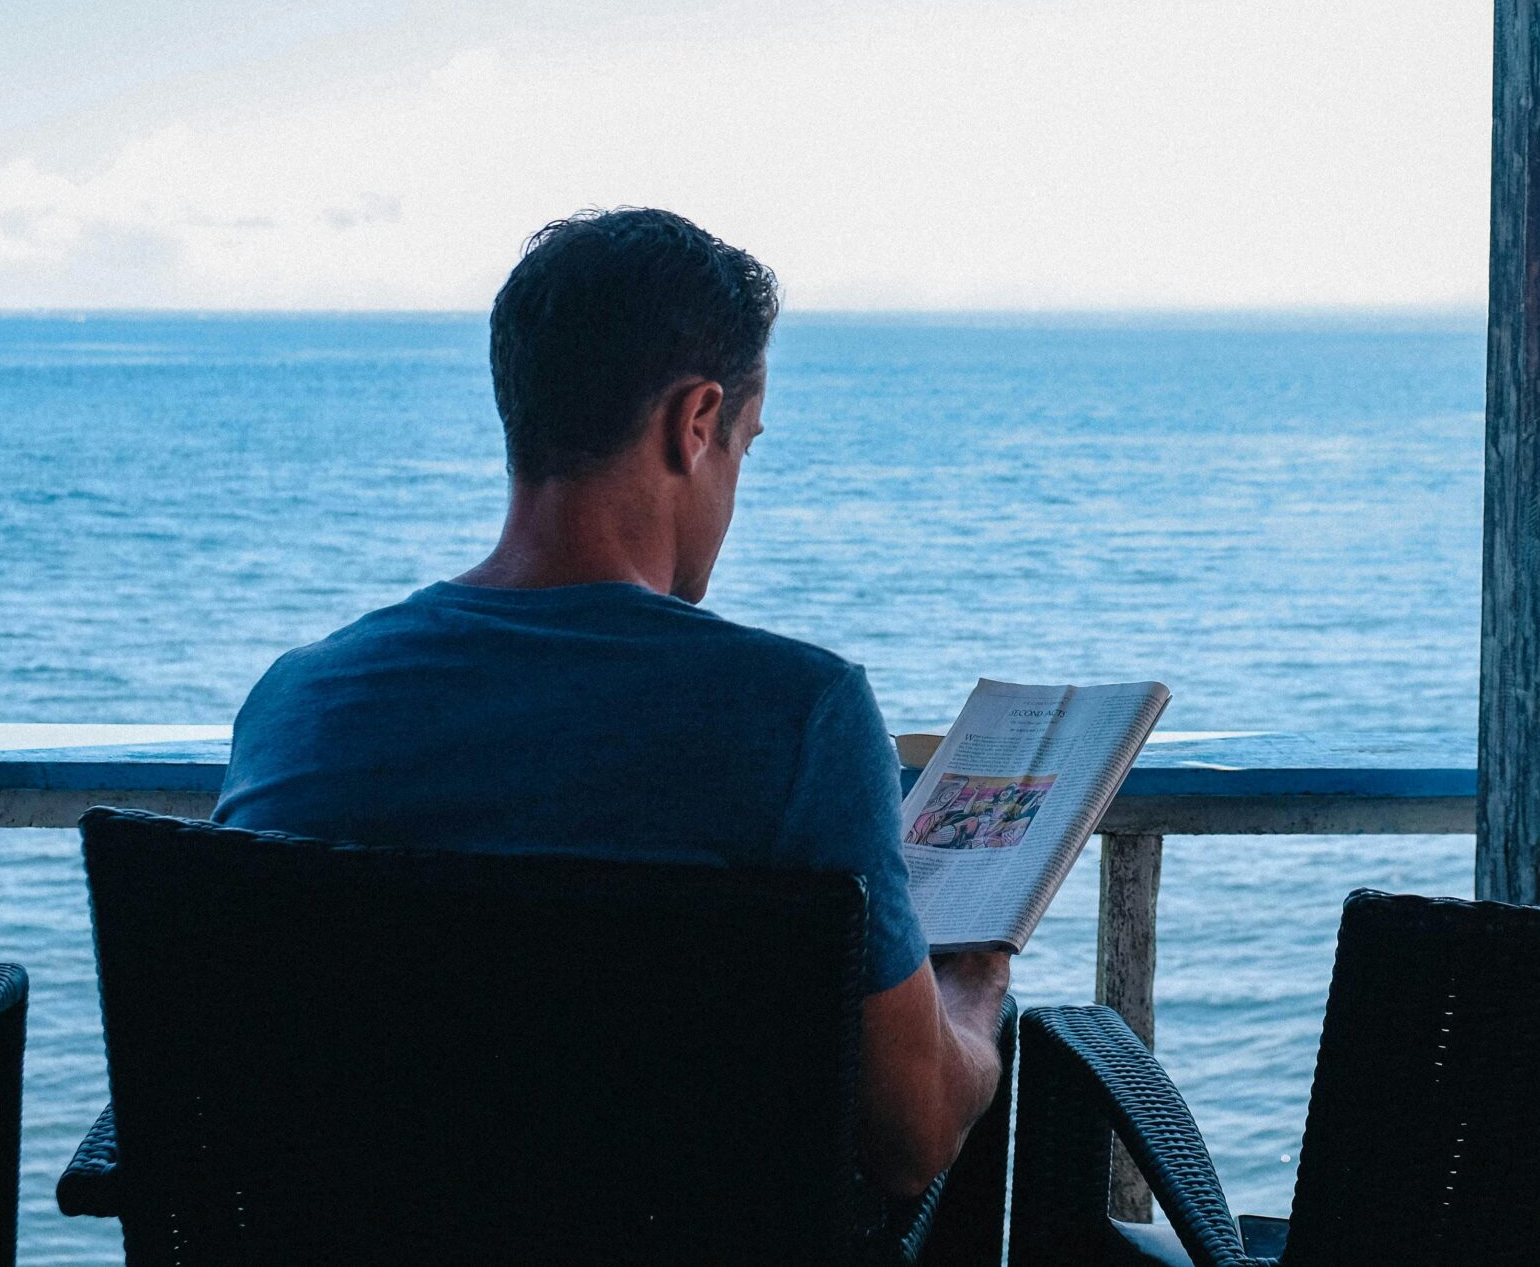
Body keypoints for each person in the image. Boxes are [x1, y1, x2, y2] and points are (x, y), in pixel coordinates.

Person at [215, 207, 1008, 1201]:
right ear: (696, 424)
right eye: (745, 449)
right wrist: (970, 991)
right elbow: (910, 1137)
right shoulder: (797, 714)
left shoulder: (297, 705)